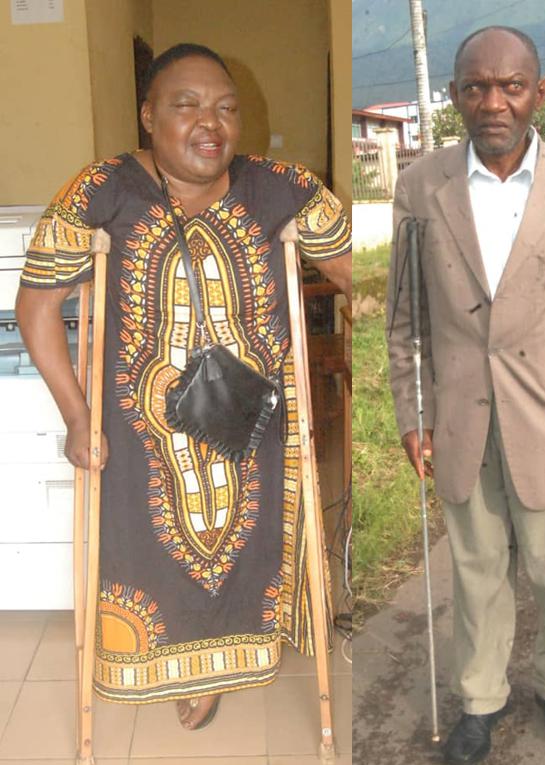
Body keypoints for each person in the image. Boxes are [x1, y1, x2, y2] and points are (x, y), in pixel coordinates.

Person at [16, 43, 351, 729]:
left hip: (251, 429)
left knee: (252, 552)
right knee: (149, 560)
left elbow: (362, 270)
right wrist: (78, 419)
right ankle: (183, 672)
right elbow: (36, 305)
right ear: (148, 116)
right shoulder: (100, 191)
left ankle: (223, 666)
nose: (211, 122)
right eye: (187, 105)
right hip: (141, 441)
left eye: (227, 108)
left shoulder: (278, 186)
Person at [384, 26, 545, 765]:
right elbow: (405, 319)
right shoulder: (420, 186)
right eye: (476, 88)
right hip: (460, 414)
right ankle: (479, 700)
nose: (493, 102)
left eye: (510, 86)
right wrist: (413, 413)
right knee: (475, 569)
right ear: (456, 98)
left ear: (539, 92)